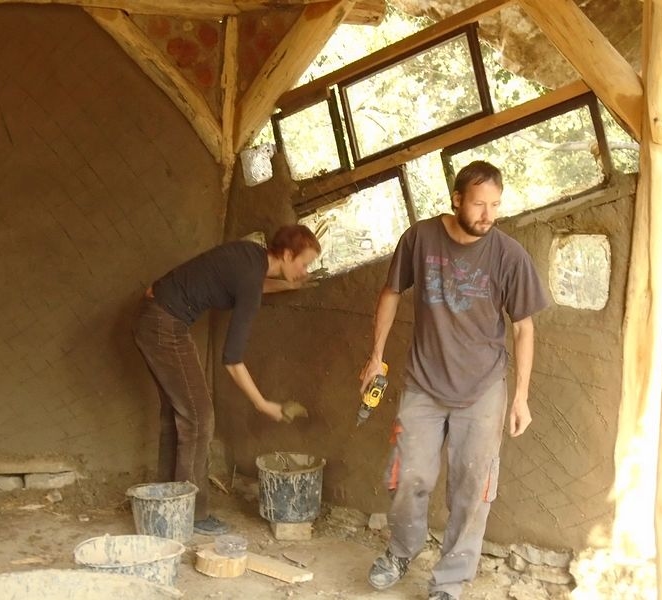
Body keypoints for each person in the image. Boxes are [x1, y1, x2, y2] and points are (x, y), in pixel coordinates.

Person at [359, 161, 548, 600]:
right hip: (423, 382)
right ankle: (401, 550)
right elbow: (390, 293)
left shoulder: (509, 255)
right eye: (479, 204)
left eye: (495, 205)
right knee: (409, 476)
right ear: (457, 199)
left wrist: (520, 397)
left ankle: (450, 581)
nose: (488, 215)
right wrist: (375, 357)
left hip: (483, 389)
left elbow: (524, 328)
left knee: (472, 488)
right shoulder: (420, 238)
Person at [134, 225, 321, 535]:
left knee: (178, 415)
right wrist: (263, 404)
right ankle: (192, 514)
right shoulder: (250, 277)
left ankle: (167, 502)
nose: (306, 271)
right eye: (304, 263)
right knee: (199, 418)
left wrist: (289, 285)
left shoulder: (251, 256)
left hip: (153, 316)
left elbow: (250, 285)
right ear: (288, 255)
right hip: (165, 327)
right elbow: (232, 359)